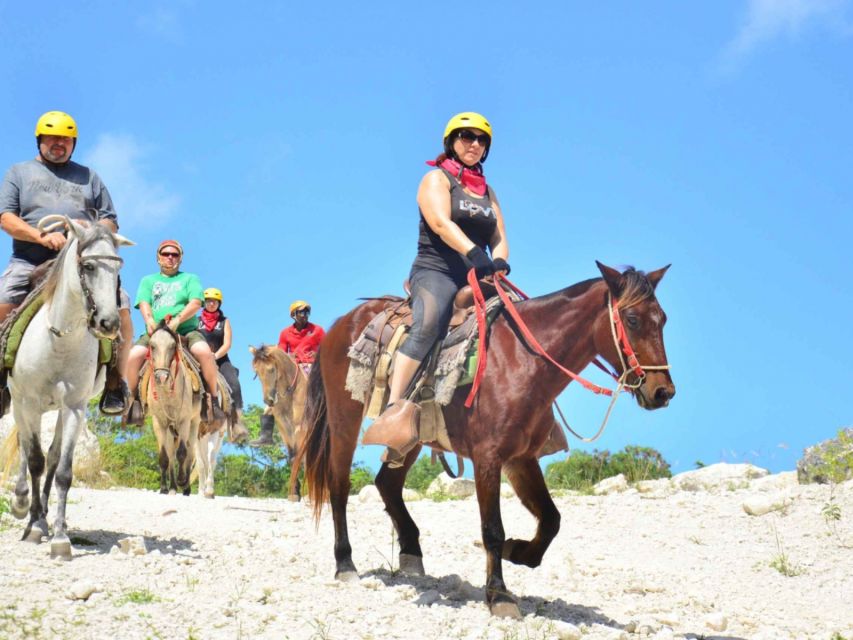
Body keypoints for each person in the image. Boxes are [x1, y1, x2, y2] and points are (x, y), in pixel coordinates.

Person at [366, 111, 510, 454]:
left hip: (477, 273)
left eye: (481, 139)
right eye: (466, 137)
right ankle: (394, 409)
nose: (474, 144)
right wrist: (475, 252)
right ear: (451, 142)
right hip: (436, 271)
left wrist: (500, 261)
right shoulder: (437, 179)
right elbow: (441, 223)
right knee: (430, 322)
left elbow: (500, 235)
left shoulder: (488, 192)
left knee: (519, 322)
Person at [0, 110, 131, 414]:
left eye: (65, 139)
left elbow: (110, 222)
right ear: (40, 141)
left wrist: (85, 231)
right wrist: (40, 236)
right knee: (4, 299)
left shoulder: (89, 177)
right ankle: (1, 380)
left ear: (73, 144)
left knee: (121, 307)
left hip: (80, 259)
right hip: (29, 259)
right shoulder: (19, 173)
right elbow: (6, 218)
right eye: (52, 138)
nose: (58, 143)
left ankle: (115, 383)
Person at [125, 240, 226, 427]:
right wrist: (149, 321)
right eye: (165, 254)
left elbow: (196, 302)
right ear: (158, 257)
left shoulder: (190, 278)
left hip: (186, 331)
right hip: (156, 333)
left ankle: (212, 399)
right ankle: (134, 401)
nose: (170, 258)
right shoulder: (148, 280)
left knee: (204, 353)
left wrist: (178, 320)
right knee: (132, 357)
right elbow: (144, 303)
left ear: (180, 258)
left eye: (174, 255)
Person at [250, 299, 325, 447]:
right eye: (300, 312)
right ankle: (266, 435)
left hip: (312, 365)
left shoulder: (317, 330)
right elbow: (282, 353)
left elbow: (326, 348)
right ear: (294, 315)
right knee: (272, 399)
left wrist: (316, 357)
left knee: (319, 385)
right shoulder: (285, 333)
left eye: (306, 312)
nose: (304, 315)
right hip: (293, 366)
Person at [197, 287, 249, 443]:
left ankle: (237, 422)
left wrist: (215, 356)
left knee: (234, 383)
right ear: (203, 303)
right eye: (208, 301)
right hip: (200, 360)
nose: (211, 303)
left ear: (219, 303)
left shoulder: (224, 321)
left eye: (214, 301)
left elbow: (227, 344)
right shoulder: (196, 322)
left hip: (221, 359)